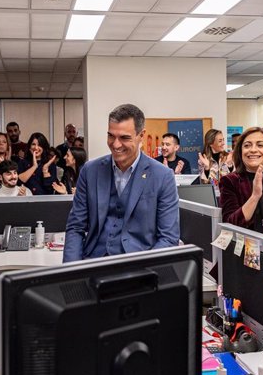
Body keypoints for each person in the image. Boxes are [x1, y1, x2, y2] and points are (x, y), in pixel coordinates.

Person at [63, 103, 179, 263]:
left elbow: (168, 238)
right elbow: (75, 227)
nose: (115, 144)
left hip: (140, 271)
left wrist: (146, 272)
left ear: (141, 135)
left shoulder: (162, 176)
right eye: (111, 136)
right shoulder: (90, 171)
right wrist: (71, 272)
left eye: (124, 138)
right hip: (94, 265)